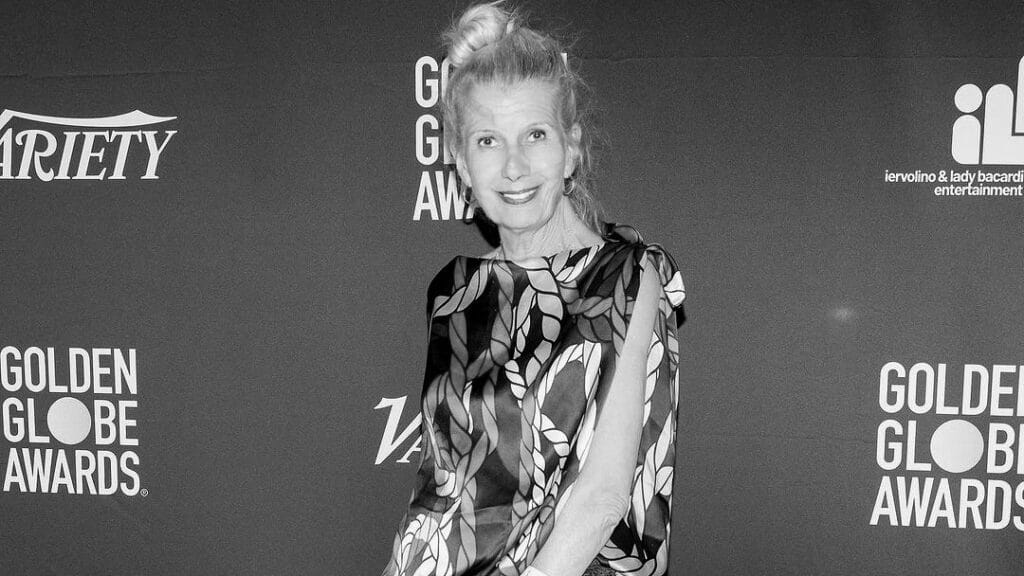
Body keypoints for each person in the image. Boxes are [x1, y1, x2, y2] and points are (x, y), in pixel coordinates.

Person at [381, 2, 685, 575]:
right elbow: (445, 491)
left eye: (535, 135)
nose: (513, 166)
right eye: (488, 141)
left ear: (571, 149)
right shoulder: (454, 291)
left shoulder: (625, 277)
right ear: (461, 164)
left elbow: (603, 499)